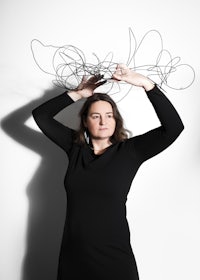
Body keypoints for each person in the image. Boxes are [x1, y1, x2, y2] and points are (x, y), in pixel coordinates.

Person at [32, 64, 184, 280]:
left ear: (116, 120)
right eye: (95, 116)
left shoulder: (131, 151)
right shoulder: (74, 149)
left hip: (114, 260)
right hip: (73, 258)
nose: (103, 121)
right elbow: (41, 115)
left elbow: (174, 127)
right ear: (85, 121)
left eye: (109, 116)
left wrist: (145, 84)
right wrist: (79, 94)